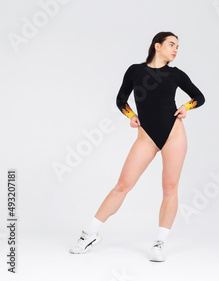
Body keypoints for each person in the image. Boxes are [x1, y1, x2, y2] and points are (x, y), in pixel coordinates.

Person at [69, 31, 205, 262]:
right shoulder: (135, 71)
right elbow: (121, 100)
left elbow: (199, 97)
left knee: (170, 188)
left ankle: (159, 243)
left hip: (174, 134)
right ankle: (90, 234)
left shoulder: (176, 74)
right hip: (147, 136)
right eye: (171, 44)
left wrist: (186, 107)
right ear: (157, 45)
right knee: (122, 185)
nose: (175, 50)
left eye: (178, 47)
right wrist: (131, 116)